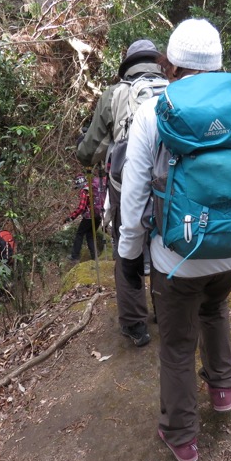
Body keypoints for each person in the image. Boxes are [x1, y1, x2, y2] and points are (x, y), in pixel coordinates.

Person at [117, 19, 231, 461]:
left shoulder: (155, 110)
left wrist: (130, 255)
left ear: (172, 64)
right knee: (215, 308)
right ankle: (223, 389)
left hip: (177, 257)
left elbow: (133, 197)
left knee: (175, 343)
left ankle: (182, 436)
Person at [77, 39, 166, 347]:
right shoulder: (176, 87)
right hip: (171, 183)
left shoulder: (115, 94)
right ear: (157, 62)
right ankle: (165, 313)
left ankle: (135, 325)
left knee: (126, 244)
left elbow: (90, 150)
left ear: (127, 64)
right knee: (163, 242)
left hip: (126, 182)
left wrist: (84, 154)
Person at [64, 174, 101, 264]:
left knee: (79, 234)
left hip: (89, 216)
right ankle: (95, 256)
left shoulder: (85, 191)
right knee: (90, 235)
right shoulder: (94, 188)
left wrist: (71, 217)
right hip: (98, 215)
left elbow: (81, 207)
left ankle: (74, 257)